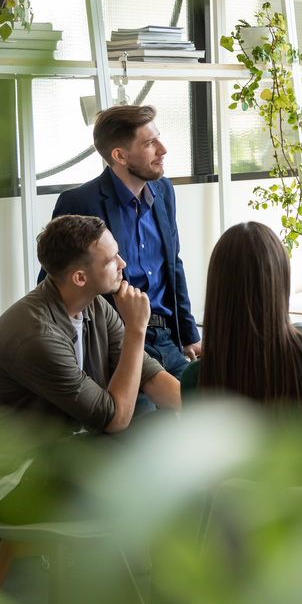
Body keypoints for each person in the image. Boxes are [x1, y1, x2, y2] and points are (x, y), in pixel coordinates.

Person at [0, 214, 191, 604]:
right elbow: (114, 418)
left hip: (66, 453)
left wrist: (202, 417)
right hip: (21, 482)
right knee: (166, 469)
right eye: (112, 260)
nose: (124, 264)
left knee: (177, 446)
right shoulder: (35, 334)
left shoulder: (90, 306)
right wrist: (136, 328)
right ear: (79, 276)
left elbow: (147, 375)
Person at [179, 222, 302, 485]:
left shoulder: (195, 379)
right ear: (281, 283)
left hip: (240, 526)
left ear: (217, 290)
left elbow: (203, 482)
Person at [49, 105, 201, 405]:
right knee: (152, 429)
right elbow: (56, 286)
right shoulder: (80, 201)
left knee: (207, 410)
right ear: (119, 156)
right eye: (149, 144)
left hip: (166, 340)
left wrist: (189, 332)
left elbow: (173, 265)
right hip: (115, 347)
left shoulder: (164, 191)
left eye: (158, 138)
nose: (163, 149)